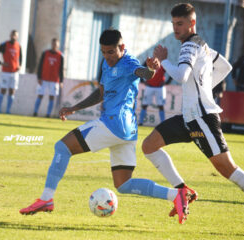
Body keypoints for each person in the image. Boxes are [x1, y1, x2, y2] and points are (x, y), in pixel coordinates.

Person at [20, 29, 194, 224]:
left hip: (112, 124)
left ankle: (46, 199)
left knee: (62, 147)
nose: (107, 57)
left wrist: (153, 68)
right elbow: (101, 93)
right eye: (103, 52)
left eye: (111, 52)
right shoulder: (106, 63)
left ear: (122, 48)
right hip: (127, 132)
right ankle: (176, 195)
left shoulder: (129, 63)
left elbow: (144, 73)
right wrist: (75, 108)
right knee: (124, 184)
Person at [142, 3, 244, 236]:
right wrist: (205, 88)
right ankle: (183, 190)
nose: (176, 29)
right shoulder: (203, 46)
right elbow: (225, 67)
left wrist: (163, 60)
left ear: (191, 23)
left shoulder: (189, 46)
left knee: (227, 169)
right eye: (174, 24)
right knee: (149, 146)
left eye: (180, 24)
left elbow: (181, 75)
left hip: (201, 119)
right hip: (188, 117)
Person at [33, 38, 64, 117]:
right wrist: (39, 77)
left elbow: (61, 69)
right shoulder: (45, 53)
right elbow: (40, 65)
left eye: (56, 45)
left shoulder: (60, 56)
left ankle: (48, 114)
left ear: (58, 45)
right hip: (44, 79)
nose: (54, 46)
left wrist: (61, 81)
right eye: (53, 44)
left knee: (52, 97)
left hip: (54, 80)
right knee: (40, 94)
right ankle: (35, 112)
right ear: (51, 44)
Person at [0, 30, 22, 114]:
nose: (14, 37)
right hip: (6, 72)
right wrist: (1, 63)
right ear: (10, 35)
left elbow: (21, 57)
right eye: (12, 35)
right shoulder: (4, 45)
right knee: (3, 89)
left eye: (15, 35)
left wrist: (20, 65)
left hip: (14, 72)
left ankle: (8, 110)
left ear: (17, 37)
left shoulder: (18, 46)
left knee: (12, 91)